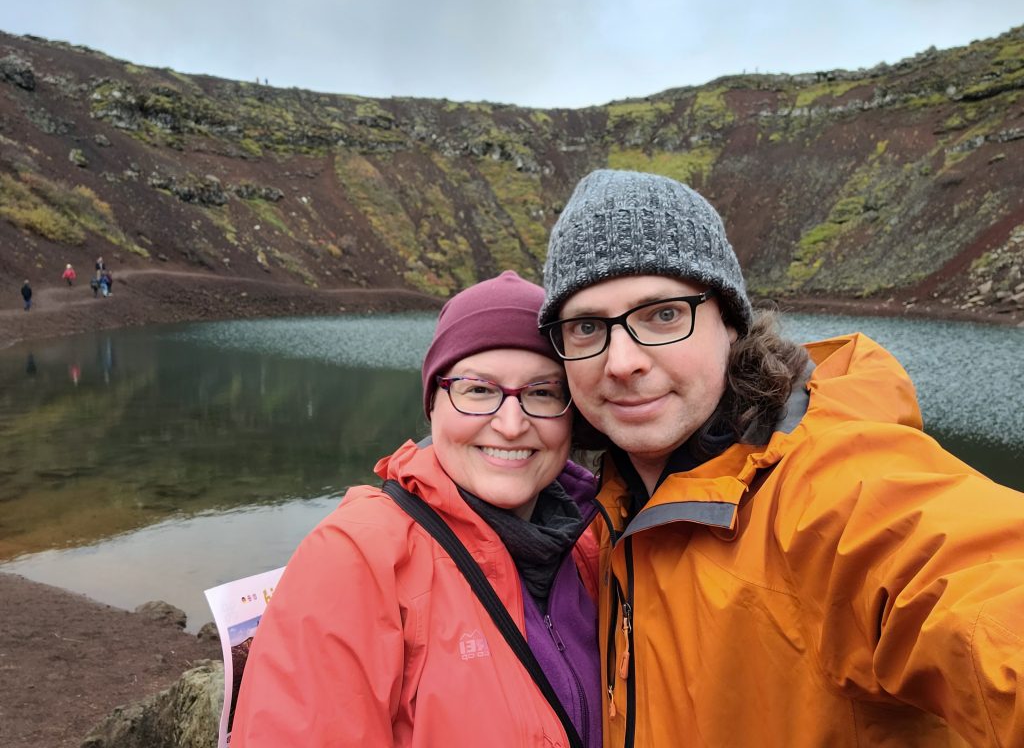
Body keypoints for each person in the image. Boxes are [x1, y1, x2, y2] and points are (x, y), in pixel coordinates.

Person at [537, 169, 1024, 748]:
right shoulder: (606, 511)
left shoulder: (828, 482)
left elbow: (973, 586)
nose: (621, 361)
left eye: (663, 315)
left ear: (730, 323)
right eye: (588, 326)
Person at [233, 271, 602, 748]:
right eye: (478, 390)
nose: (512, 425)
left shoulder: (592, 544)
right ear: (433, 403)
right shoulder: (359, 559)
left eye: (542, 392)